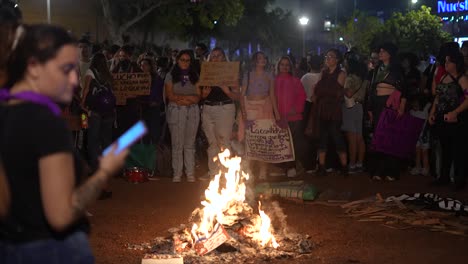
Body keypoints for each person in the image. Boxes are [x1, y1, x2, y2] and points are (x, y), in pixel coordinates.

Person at [0, 24, 127, 263]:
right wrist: (104, 172)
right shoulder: (46, 122)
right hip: (53, 251)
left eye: (76, 70)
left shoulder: (5, 112)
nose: (74, 80)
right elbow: (60, 215)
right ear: (33, 67)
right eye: (66, 69)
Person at [367, 43, 407, 181]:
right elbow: (371, 89)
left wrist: (402, 106)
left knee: (390, 136)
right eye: (380, 51)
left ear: (390, 53)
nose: (380, 53)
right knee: (379, 136)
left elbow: (403, 89)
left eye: (383, 51)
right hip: (377, 103)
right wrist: (370, 108)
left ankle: (392, 170)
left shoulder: (397, 69)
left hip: (390, 103)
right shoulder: (377, 69)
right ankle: (378, 170)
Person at [429, 50, 468, 191]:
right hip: (442, 116)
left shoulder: (462, 79)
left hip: (456, 118)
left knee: (458, 150)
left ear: (456, 63)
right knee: (444, 148)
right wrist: (432, 113)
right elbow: (437, 97)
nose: (446, 64)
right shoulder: (444, 77)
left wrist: (455, 112)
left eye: (449, 61)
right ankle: (444, 177)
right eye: (445, 61)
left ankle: (459, 179)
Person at [239, 51, 280, 180]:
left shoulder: (269, 75)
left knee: (264, 139)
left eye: (264, 58)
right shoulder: (248, 75)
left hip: (265, 108)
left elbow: (272, 95)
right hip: (250, 108)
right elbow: (242, 94)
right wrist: (244, 112)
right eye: (259, 58)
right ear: (255, 60)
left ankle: (263, 170)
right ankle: (249, 170)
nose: (262, 60)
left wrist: (277, 114)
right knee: (250, 140)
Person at [200, 47, 240, 179]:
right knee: (212, 143)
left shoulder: (230, 73)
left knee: (224, 141)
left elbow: (237, 96)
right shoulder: (206, 73)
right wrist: (204, 95)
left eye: (218, 56)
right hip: (208, 108)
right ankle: (213, 173)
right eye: (213, 56)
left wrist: (227, 91)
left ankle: (225, 173)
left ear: (223, 57)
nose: (215, 58)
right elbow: (200, 94)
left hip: (225, 108)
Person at [82, 53, 116, 200]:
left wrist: (83, 104)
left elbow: (86, 89)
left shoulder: (90, 72)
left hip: (95, 113)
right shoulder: (108, 75)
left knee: (93, 145)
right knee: (106, 144)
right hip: (109, 113)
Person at [164, 50, 201, 183]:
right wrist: (188, 99)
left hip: (192, 110)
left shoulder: (195, 75)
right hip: (176, 110)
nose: (185, 63)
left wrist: (185, 99)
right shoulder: (170, 75)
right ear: (177, 60)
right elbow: (170, 95)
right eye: (182, 60)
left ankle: (190, 173)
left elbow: (198, 96)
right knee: (177, 143)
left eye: (187, 60)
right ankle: (177, 174)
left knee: (190, 144)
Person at [312, 49, 348, 176]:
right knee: (322, 138)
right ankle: (322, 166)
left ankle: (344, 167)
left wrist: (321, 92)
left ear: (337, 59)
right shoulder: (324, 72)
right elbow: (317, 90)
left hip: (334, 110)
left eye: (331, 56)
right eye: (327, 56)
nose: (328, 59)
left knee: (337, 137)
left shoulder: (341, 73)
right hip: (322, 109)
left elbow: (336, 92)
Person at [274, 56, 306, 177]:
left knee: (293, 143)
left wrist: (296, 109)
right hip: (278, 118)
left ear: (290, 67)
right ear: (278, 66)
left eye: (287, 65)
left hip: (294, 118)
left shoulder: (295, 81)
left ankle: (291, 167)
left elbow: (302, 96)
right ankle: (282, 167)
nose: (285, 67)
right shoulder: (273, 81)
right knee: (280, 144)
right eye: (282, 64)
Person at [342, 52, 367, 174]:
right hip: (360, 106)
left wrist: (341, 87)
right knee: (359, 138)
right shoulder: (364, 77)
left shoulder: (350, 78)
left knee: (351, 138)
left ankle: (352, 164)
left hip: (350, 107)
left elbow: (348, 93)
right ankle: (360, 163)